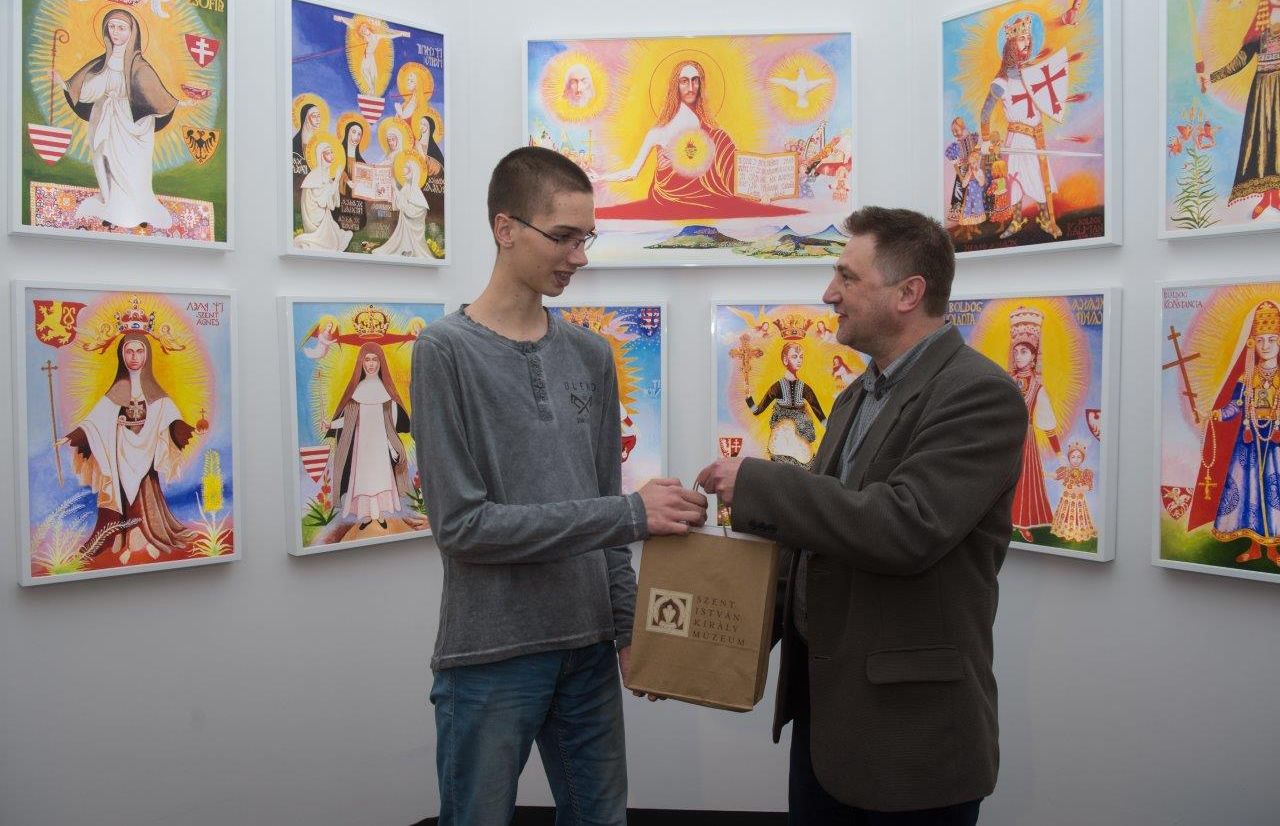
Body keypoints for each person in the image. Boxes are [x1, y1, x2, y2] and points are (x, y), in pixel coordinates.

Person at [696, 206, 1027, 824]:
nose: (830, 294)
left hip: (909, 741)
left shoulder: (978, 393)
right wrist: (705, 649)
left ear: (909, 293)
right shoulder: (859, 394)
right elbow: (818, 541)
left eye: (847, 277)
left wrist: (759, 484)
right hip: (828, 724)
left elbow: (906, 526)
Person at [410, 146, 707, 825]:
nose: (579, 256)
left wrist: (626, 626)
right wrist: (630, 513)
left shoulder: (591, 355)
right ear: (505, 228)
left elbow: (605, 503)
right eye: (565, 237)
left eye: (587, 238)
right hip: (489, 653)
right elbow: (462, 528)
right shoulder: (443, 352)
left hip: (588, 650)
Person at [593, 59, 802, 219]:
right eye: (684, 81)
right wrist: (601, 178)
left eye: (695, 80)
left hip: (709, 195)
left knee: (720, 137)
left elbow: (729, 169)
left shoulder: (711, 130)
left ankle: (762, 188)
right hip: (669, 199)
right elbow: (632, 172)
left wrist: (768, 181)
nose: (691, 86)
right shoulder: (658, 132)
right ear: (675, 86)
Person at [62, 330, 197, 565]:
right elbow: (94, 422)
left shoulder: (155, 393)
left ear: (147, 355)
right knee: (119, 491)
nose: (134, 357)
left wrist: (187, 430)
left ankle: (143, 534)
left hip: (146, 452)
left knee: (146, 491)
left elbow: (170, 418)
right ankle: (118, 535)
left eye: (139, 351)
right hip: (119, 454)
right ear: (121, 355)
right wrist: (74, 436)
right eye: (129, 351)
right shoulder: (117, 390)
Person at [54, 9, 193, 230]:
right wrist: (65, 85)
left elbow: (156, 94)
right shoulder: (104, 62)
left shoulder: (140, 66)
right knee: (107, 163)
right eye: (112, 27)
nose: (115, 32)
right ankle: (111, 208)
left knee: (133, 170)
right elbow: (91, 89)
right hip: (107, 119)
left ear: (132, 31)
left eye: (121, 28)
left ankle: (139, 211)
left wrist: (177, 103)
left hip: (134, 125)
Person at [1189, 299, 1280, 567]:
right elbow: (1235, 406)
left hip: (1275, 444)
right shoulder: (1247, 376)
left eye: (1271, 340)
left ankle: (1273, 550)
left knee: (1274, 493)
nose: (1265, 346)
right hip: (1249, 443)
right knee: (1252, 493)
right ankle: (1255, 548)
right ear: (1252, 343)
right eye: (1260, 340)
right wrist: (1216, 414)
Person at [979, 14, 1063, 239]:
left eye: (1028, 38)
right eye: (1021, 38)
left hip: (1037, 137)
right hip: (1017, 138)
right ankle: (1017, 221)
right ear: (1010, 45)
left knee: (1040, 178)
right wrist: (985, 140)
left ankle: (1045, 219)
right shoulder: (1001, 82)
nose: (1026, 42)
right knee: (1015, 180)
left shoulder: (1033, 74)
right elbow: (985, 113)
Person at [1198, 0, 1280, 220]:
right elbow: (1243, 57)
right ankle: (1268, 197)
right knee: (1264, 141)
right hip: (1263, 91)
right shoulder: (1261, 16)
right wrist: (1212, 77)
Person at [323, 343, 413, 530]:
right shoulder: (357, 391)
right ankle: (365, 515)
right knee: (363, 481)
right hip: (361, 448)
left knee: (381, 479)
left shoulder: (386, 393)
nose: (371, 364)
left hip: (380, 447)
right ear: (361, 363)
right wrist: (330, 425)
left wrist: (392, 447)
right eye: (367, 359)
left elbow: (391, 425)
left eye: (375, 360)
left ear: (381, 363)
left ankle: (378, 514)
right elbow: (348, 420)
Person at [1007, 307, 1062, 543]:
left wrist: (1059, 454)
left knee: (1024, 480)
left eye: (1024, 351)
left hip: (1025, 440)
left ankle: (1023, 523)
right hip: (1003, 438)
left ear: (1033, 355)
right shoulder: (1005, 380)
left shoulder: (1037, 387)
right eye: (1016, 351)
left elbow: (1047, 421)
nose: (1019, 356)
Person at [745, 341, 828, 469]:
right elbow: (757, 410)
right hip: (781, 438)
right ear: (785, 360)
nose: (799, 360)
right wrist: (749, 399)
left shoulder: (805, 388)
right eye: (794, 356)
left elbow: (819, 412)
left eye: (801, 357)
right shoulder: (777, 387)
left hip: (801, 439)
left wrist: (831, 428)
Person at [295, 135, 353, 251]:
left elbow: (333, 202)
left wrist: (335, 181)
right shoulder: (315, 176)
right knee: (333, 241)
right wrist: (337, 179)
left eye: (332, 152)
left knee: (338, 234)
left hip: (323, 215)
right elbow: (323, 201)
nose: (332, 156)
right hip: (315, 219)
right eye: (328, 153)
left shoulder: (325, 175)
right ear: (321, 156)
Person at [332, 15, 410, 94]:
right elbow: (353, 25)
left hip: (370, 56)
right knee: (363, 70)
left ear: (368, 28)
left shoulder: (376, 36)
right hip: (366, 56)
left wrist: (400, 34)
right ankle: (370, 88)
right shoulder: (365, 37)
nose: (364, 31)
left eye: (365, 29)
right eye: (363, 31)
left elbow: (389, 35)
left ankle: (372, 89)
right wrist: (342, 19)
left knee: (372, 73)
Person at [372, 152, 430, 258]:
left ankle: (410, 250)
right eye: (404, 167)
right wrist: (393, 188)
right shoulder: (406, 187)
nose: (404, 170)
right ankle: (405, 249)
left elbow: (412, 212)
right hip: (404, 227)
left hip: (413, 230)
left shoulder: (416, 192)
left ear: (413, 172)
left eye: (407, 168)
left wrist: (395, 188)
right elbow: (399, 205)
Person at [1051, 442, 1097, 543]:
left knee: (1078, 516)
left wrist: (1081, 488)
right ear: (1069, 458)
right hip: (1066, 500)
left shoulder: (1085, 472)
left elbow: (1089, 486)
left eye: (1079, 457)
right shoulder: (1066, 470)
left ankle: (1078, 535)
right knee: (1065, 515)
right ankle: (1064, 533)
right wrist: (1043, 473)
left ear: (1082, 459)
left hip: (1078, 501)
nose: (1076, 460)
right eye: (1073, 457)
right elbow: (1056, 476)